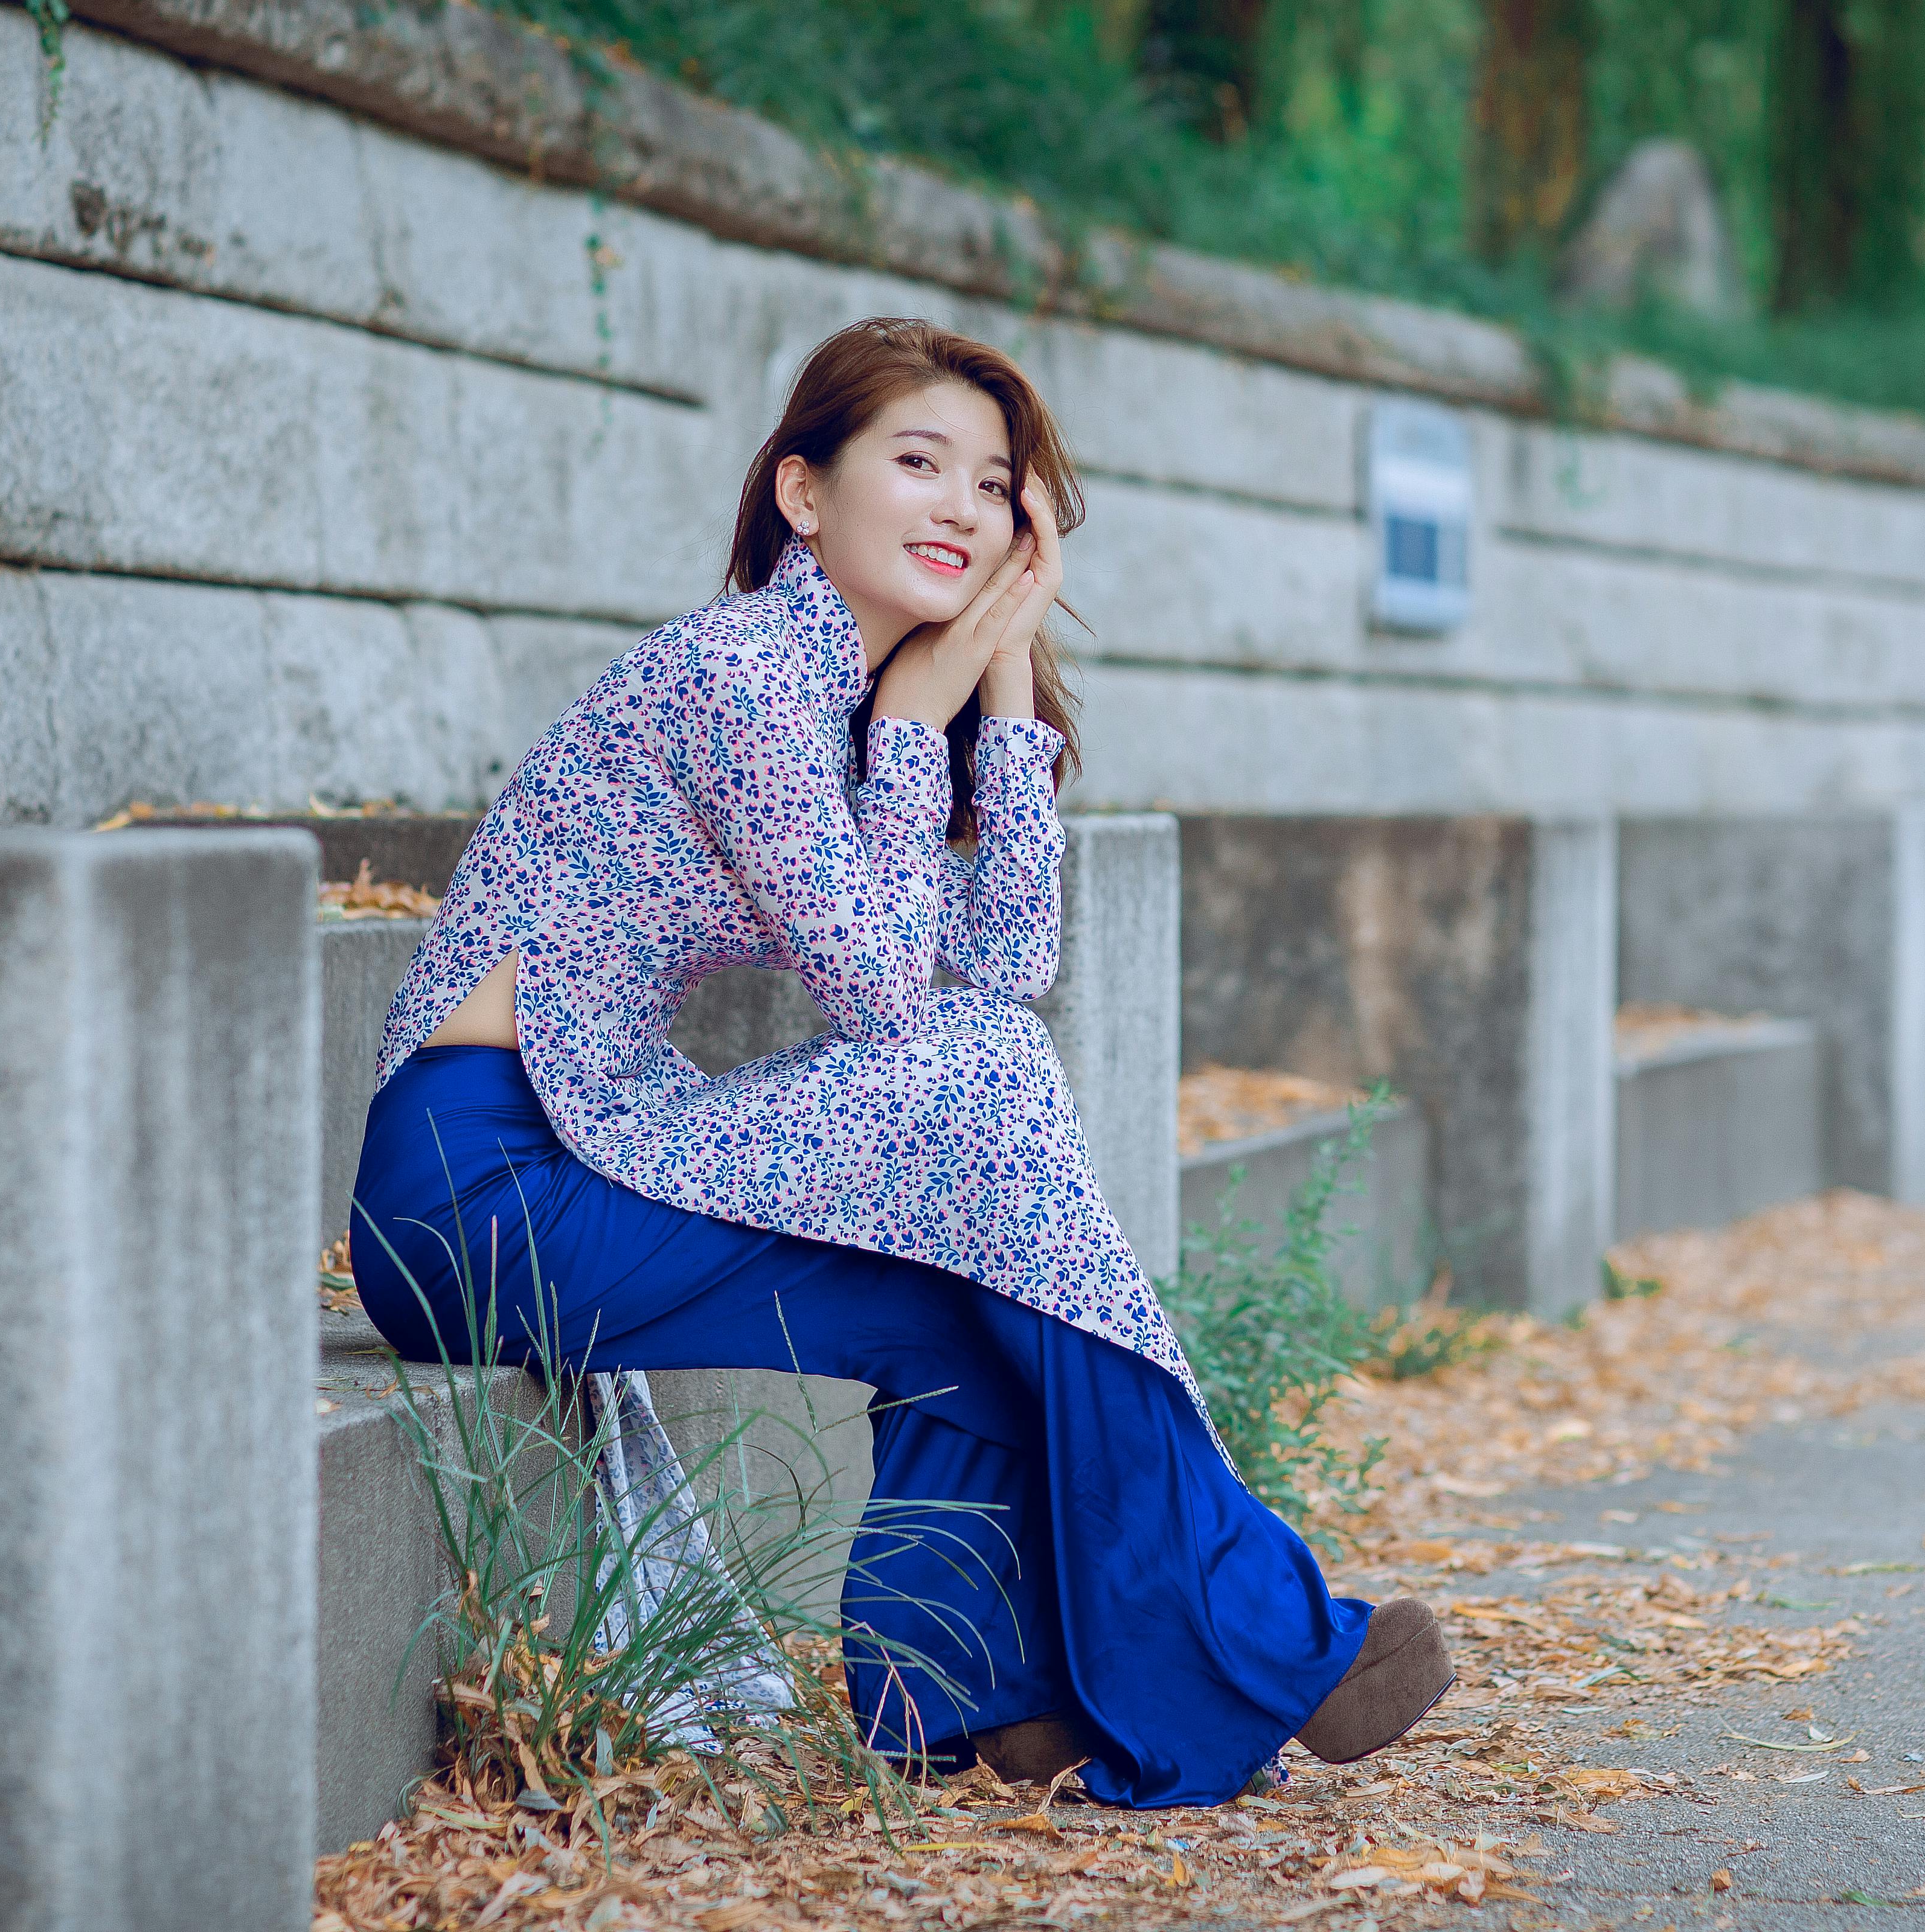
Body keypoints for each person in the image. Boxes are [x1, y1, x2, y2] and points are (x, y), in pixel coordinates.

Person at [352, 318, 1452, 1808]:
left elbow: (1005, 972)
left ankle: (970, 1699)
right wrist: (928, 716)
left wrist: (997, 692)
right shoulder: (741, 673)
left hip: (584, 1158)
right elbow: (886, 999)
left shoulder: (848, 707)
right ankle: (1268, 1623)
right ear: (804, 494)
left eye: (995, 486)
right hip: (476, 1191)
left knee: (964, 1294)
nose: (962, 507)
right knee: (981, 1095)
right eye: (917, 462)